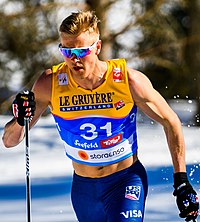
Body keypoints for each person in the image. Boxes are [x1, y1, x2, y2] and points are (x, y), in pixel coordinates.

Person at [2, 10, 199, 222]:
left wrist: (181, 179)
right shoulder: (49, 84)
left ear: (97, 47)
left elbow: (171, 122)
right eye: (67, 52)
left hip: (125, 180)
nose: (73, 59)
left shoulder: (127, 80)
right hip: (84, 188)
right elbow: (10, 141)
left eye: (80, 51)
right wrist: (21, 119)